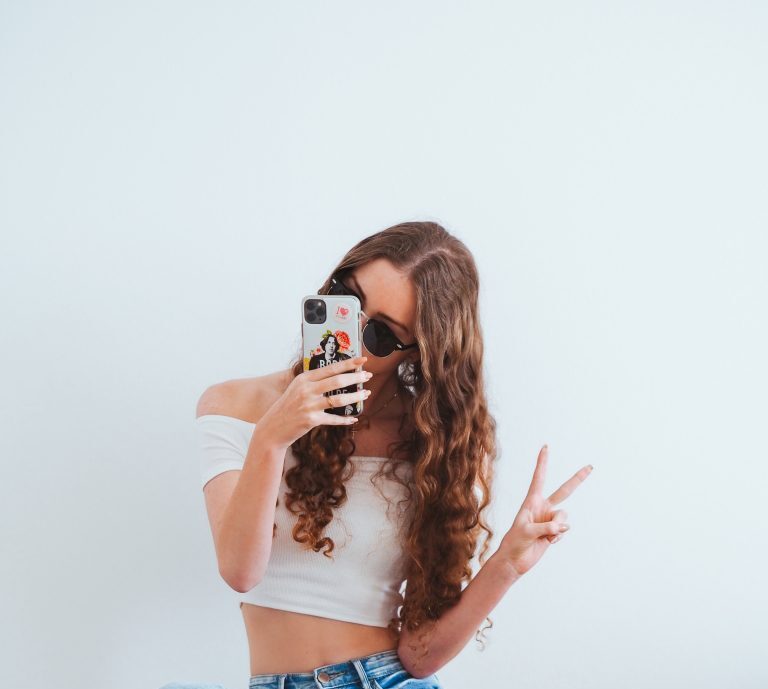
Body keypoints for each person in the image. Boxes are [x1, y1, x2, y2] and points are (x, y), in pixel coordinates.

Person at [161, 221, 593, 689]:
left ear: (417, 353)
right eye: (345, 300)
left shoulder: (431, 447)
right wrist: (272, 438)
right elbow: (241, 571)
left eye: (382, 335)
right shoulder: (232, 406)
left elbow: (419, 655)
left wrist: (506, 564)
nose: (349, 335)